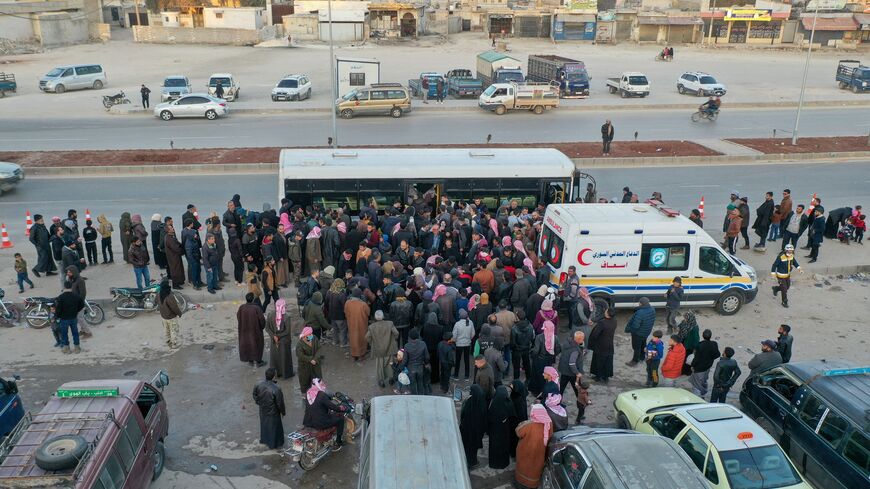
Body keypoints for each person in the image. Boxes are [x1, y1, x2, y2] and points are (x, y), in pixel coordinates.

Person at [515, 404, 553, 489]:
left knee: (524, 468)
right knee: (535, 470)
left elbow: (518, 432)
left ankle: (521, 484)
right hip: (540, 453)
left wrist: (524, 423)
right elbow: (550, 437)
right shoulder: (549, 424)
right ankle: (532, 485)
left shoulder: (529, 425)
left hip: (526, 452)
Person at [303, 379, 347, 452]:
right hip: (320, 422)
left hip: (308, 421)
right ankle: (338, 441)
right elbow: (332, 406)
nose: (323, 385)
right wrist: (340, 408)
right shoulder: (321, 395)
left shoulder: (308, 393)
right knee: (340, 419)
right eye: (322, 384)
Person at [366, 310, 399, 388]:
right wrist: (393, 340)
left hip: (378, 350)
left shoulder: (372, 327)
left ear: (375, 317)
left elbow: (367, 337)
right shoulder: (390, 323)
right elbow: (396, 333)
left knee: (379, 366)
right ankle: (391, 379)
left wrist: (372, 343)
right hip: (389, 349)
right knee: (390, 364)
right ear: (383, 316)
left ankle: (381, 381)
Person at [460, 384, 487, 468]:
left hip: (466, 431)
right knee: (473, 449)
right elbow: (484, 420)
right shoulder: (482, 403)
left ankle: (465, 461)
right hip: (476, 433)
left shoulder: (468, 402)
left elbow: (462, 415)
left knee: (466, 447)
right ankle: (473, 462)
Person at [266, 299, 294, 379]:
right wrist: (278, 336)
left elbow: (267, 328)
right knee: (285, 358)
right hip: (284, 341)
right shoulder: (286, 317)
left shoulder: (270, 315)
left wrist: (274, 336)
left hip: (274, 341)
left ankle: (276, 374)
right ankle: (285, 374)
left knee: (275, 358)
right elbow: (287, 331)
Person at [487, 385, 514, 469]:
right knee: (503, 446)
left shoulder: (493, 404)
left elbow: (489, 417)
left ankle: (494, 463)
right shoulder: (508, 402)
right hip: (504, 431)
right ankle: (503, 463)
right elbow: (512, 415)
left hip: (494, 431)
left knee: (494, 447)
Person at [54, 280, 85, 354]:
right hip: (73, 318)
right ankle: (77, 348)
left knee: (64, 334)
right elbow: (81, 305)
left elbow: (58, 309)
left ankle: (67, 348)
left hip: (64, 319)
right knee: (75, 333)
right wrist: (76, 311)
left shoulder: (60, 297)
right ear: (71, 286)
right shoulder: (76, 296)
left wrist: (58, 316)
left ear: (64, 287)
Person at [588, 307, 616, 383]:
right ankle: (606, 376)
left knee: (599, 361)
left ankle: (598, 376)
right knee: (608, 361)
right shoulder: (614, 321)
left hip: (600, 345)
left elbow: (595, 335)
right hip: (609, 344)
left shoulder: (602, 323)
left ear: (607, 314)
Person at [625, 297, 655, 366]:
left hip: (638, 333)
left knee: (636, 347)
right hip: (646, 331)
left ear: (641, 304)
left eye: (639, 302)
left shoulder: (640, 312)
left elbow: (635, 326)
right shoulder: (652, 309)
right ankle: (642, 357)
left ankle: (635, 361)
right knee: (643, 344)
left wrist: (630, 330)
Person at [689, 329, 720, 398]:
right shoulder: (714, 344)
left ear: (702, 336)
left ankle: (699, 395)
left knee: (697, 383)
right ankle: (703, 393)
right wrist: (710, 359)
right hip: (708, 366)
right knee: (704, 379)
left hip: (699, 368)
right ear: (710, 336)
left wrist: (692, 365)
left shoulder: (700, 345)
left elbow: (696, 358)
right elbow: (717, 354)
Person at [238, 292, 266, 367]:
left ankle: (250, 359)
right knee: (257, 345)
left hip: (244, 330)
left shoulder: (242, 307)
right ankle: (258, 361)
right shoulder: (257, 308)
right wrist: (261, 327)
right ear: (253, 299)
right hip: (255, 331)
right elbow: (262, 320)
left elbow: (238, 317)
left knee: (247, 344)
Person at [557, 331, 585, 401]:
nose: (583, 340)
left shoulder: (567, 343)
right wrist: (577, 373)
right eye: (582, 339)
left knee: (561, 388)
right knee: (577, 389)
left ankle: (557, 402)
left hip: (564, 370)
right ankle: (581, 403)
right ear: (579, 339)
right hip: (572, 374)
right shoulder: (575, 350)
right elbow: (572, 363)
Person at [344, 288, 371, 361]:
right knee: (361, 339)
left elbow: (345, 312)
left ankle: (353, 354)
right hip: (362, 325)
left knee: (353, 339)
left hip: (351, 324)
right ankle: (361, 355)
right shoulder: (363, 304)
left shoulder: (347, 303)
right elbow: (368, 313)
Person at [296, 327, 324, 394]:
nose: (311, 336)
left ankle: (318, 391)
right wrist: (310, 359)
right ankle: (305, 393)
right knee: (305, 380)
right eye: (309, 334)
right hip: (305, 366)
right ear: (305, 336)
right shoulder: (300, 344)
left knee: (317, 377)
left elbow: (319, 349)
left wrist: (315, 359)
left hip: (315, 364)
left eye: (311, 334)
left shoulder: (314, 338)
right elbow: (300, 355)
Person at [158, 278, 183, 349]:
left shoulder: (158, 293)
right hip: (171, 317)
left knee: (166, 330)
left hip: (163, 317)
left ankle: (168, 341)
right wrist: (179, 313)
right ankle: (174, 344)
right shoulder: (169, 296)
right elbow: (174, 307)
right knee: (173, 330)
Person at [510, 310, 534, 381]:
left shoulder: (514, 328)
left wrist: (513, 348)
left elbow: (513, 341)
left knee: (516, 366)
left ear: (518, 317)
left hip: (517, 350)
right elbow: (532, 337)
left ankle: (516, 380)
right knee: (527, 364)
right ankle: (528, 379)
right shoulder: (530, 326)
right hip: (526, 348)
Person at [404, 329, 430, 395]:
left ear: (409, 337)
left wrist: (401, 367)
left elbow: (405, 360)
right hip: (420, 367)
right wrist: (426, 363)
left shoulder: (406, 346)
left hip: (411, 368)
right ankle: (421, 396)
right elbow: (427, 357)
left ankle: (414, 396)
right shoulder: (423, 344)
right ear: (418, 336)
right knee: (420, 382)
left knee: (412, 384)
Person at [507, 379, 528, 458]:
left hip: (516, 423)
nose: (511, 387)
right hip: (517, 421)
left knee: (515, 439)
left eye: (512, 386)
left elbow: (519, 414)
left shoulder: (518, 400)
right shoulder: (519, 394)